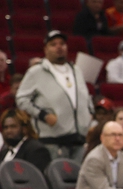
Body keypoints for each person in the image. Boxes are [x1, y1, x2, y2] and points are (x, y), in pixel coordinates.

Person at [16, 30, 93, 160]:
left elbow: (85, 94)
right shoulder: (36, 72)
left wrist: (89, 113)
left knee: (77, 179)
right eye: (53, 44)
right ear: (45, 49)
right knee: (56, 177)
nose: (59, 47)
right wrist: (43, 115)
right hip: (53, 141)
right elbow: (21, 99)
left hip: (79, 138)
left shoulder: (76, 70)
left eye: (62, 43)